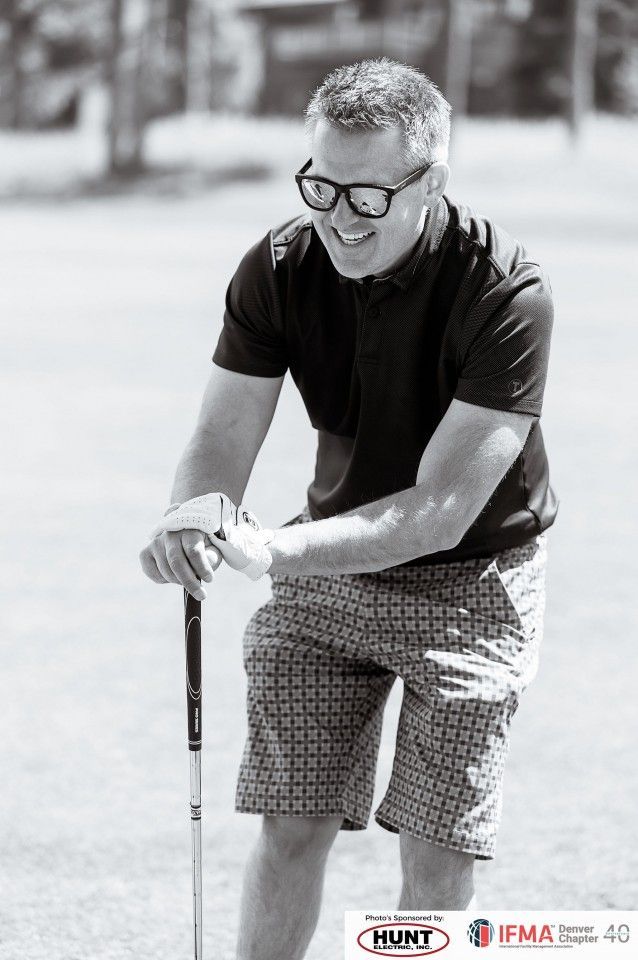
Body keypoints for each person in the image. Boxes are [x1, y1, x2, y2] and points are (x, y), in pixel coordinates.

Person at [140, 58, 558, 960]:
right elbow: (222, 433)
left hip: (471, 589)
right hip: (330, 572)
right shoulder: (280, 266)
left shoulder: (506, 291)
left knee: (438, 856)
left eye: (366, 197)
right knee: (291, 823)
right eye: (319, 185)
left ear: (430, 184)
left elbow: (442, 510)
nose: (337, 217)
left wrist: (273, 552)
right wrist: (195, 515)